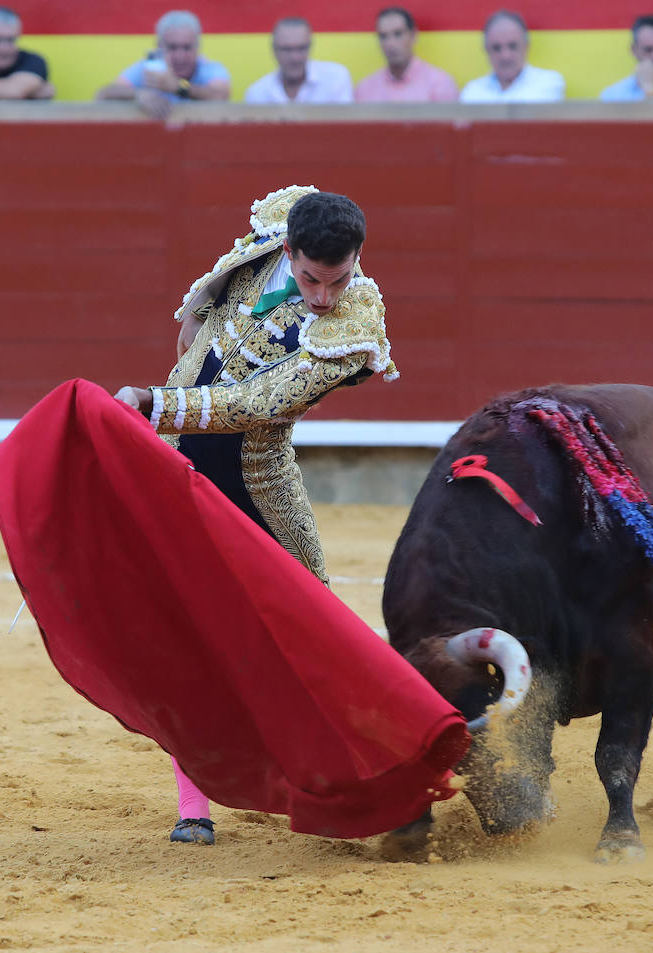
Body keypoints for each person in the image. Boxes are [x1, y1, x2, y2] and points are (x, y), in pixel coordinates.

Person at [113, 186, 397, 846]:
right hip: (178, 473)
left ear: (357, 262)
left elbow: (253, 404)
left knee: (318, 642)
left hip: (257, 490)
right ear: (290, 251)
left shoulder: (356, 327)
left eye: (340, 278)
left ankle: (375, 779)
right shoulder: (268, 239)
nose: (324, 295)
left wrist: (155, 404)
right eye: (310, 279)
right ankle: (193, 805)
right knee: (182, 636)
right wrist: (194, 316)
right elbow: (216, 293)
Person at [95, 10, 231, 119]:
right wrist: (138, 93)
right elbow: (104, 94)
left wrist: (178, 87)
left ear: (197, 47)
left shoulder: (209, 69)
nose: (180, 56)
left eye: (187, 47)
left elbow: (220, 94)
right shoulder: (149, 70)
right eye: (173, 48)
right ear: (159, 47)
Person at [354, 6, 459, 103]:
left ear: (413, 35)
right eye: (383, 36)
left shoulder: (439, 84)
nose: (390, 44)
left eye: (398, 34)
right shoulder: (365, 89)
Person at [459, 10, 565, 103]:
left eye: (512, 46)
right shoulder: (472, 90)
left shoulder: (549, 82)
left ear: (526, 46)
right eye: (497, 48)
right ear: (487, 50)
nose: (505, 56)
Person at [244, 18, 354, 104]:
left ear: (310, 47)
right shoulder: (257, 93)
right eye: (286, 49)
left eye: (301, 48)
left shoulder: (335, 78)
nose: (294, 57)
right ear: (274, 50)